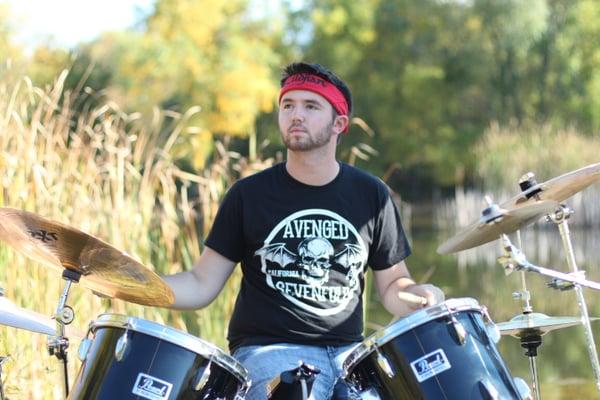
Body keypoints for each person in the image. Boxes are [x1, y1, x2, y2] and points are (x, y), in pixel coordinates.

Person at [163, 62, 444, 399]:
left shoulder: (371, 195)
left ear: (339, 123)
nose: (296, 115)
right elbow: (201, 283)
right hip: (269, 351)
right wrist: (132, 283)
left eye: (311, 106)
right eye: (288, 105)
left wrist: (419, 297)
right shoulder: (248, 195)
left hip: (350, 358)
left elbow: (393, 284)